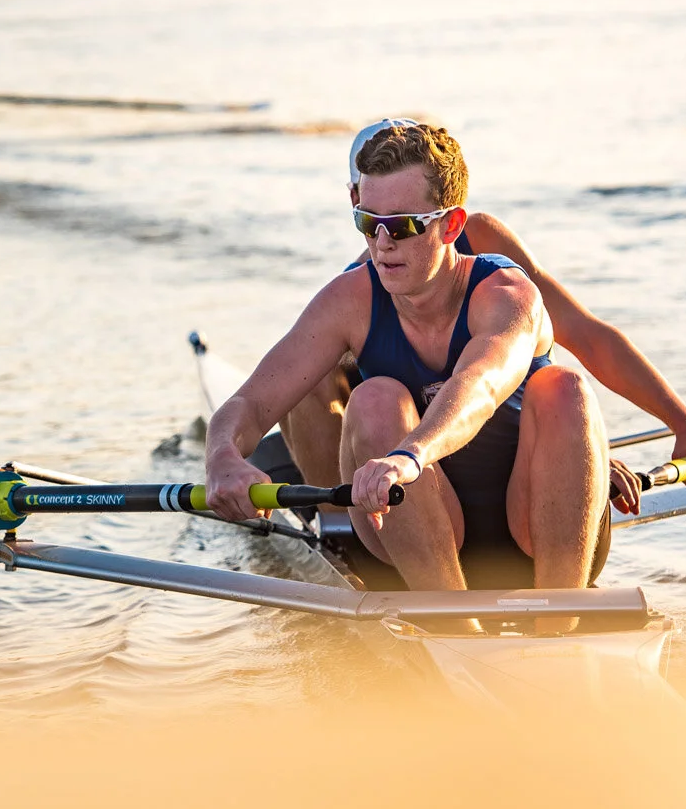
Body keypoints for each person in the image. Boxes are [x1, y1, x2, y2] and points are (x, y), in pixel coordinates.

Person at [207, 122, 603, 591]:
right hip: (414, 530)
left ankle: (562, 612)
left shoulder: (508, 296)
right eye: (368, 223)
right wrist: (222, 456)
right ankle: (451, 620)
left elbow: (480, 385)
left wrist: (410, 456)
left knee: (566, 388)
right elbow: (250, 403)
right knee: (374, 400)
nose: (382, 243)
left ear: (451, 225)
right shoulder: (348, 299)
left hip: (535, 528)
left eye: (401, 225)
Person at [277, 118, 686, 519]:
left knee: (558, 389)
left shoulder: (481, 240)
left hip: (495, 434)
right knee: (306, 378)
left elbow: (586, 336)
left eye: (408, 216)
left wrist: (680, 425)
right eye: (369, 213)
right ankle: (337, 519)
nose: (385, 233)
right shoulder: (355, 288)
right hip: (410, 457)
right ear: (356, 196)